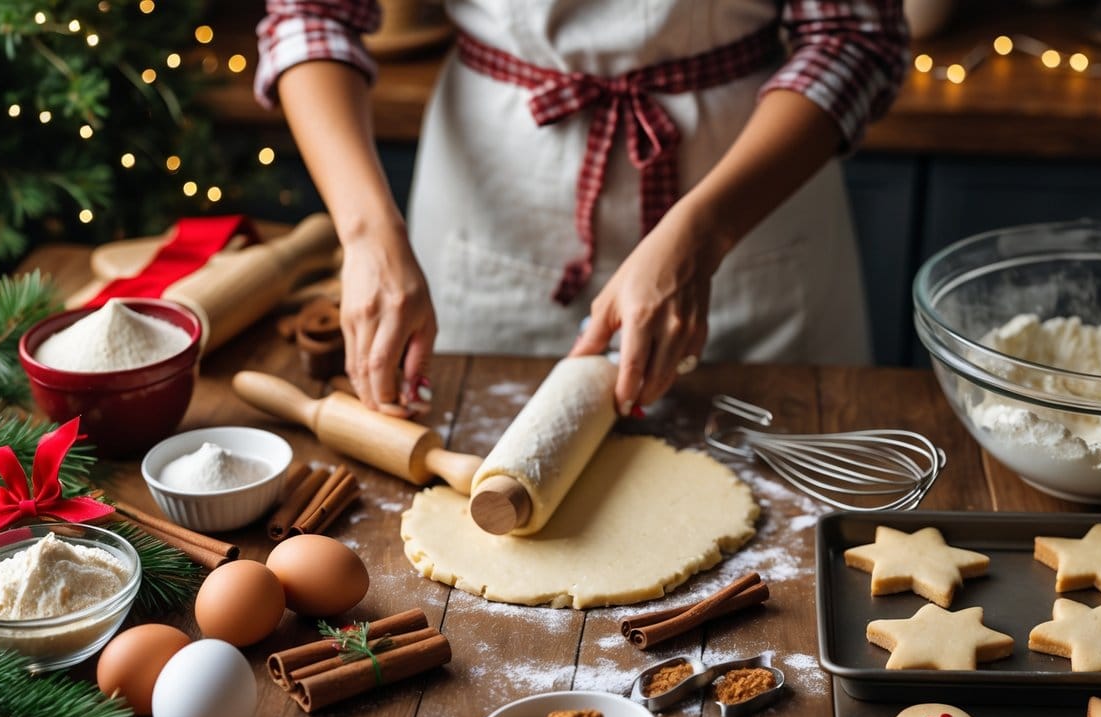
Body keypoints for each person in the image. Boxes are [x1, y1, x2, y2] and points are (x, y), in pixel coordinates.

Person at [256, 1, 908, 416]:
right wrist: (367, 233)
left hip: (748, 190)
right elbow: (312, 15)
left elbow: (854, 38)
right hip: (494, 196)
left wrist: (702, 231)